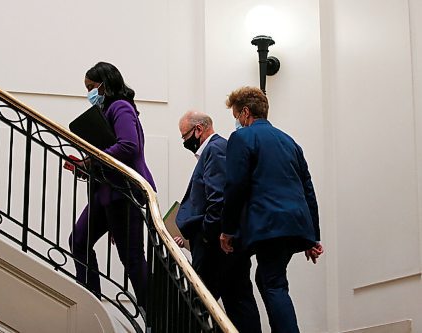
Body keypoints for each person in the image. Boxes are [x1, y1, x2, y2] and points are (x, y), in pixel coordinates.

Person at [220, 86, 323, 332]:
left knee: (274, 283)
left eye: (236, 116)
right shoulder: (290, 142)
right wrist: (313, 237)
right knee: (267, 278)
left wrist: (227, 229)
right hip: (295, 224)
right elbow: (308, 189)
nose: (237, 122)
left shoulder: (242, 138)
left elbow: (235, 186)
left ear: (245, 112)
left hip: (268, 224)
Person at [68, 62, 156, 309]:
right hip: (106, 192)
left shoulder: (121, 107)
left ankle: (154, 316)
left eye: (91, 87)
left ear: (105, 85)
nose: (89, 93)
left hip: (123, 193)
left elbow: (129, 146)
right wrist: (85, 166)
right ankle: (91, 303)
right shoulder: (106, 112)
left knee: (132, 258)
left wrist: (91, 159)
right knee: (79, 240)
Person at [175, 111, 260, 333]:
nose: (185, 142)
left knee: (199, 306)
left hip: (215, 247)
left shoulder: (215, 148)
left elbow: (219, 200)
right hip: (226, 244)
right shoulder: (220, 148)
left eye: (185, 136)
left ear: (198, 130)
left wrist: (206, 235)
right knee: (239, 303)